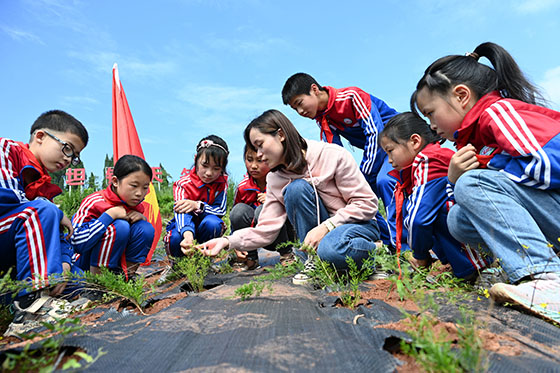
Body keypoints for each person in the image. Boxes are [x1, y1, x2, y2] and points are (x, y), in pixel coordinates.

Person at [411, 41, 560, 322]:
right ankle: (532, 268)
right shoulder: (476, 141)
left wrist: (485, 166)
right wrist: (455, 179)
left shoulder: (498, 113)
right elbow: (475, 203)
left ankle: (546, 278)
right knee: (458, 218)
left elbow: (548, 165)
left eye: (430, 112)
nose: (430, 124)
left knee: (474, 184)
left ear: (461, 96)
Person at [198, 110, 380, 285]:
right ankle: (313, 260)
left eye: (260, 145)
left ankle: (376, 252)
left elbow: (366, 204)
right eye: (254, 149)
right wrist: (227, 241)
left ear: (281, 135)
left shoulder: (331, 155)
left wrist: (326, 227)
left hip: (356, 224)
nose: (259, 155)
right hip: (324, 235)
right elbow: (266, 229)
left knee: (330, 250)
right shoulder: (275, 178)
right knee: (295, 189)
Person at [282, 73, 402, 250]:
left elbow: (376, 134)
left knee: (384, 181)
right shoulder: (323, 119)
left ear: (314, 89)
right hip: (376, 153)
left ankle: (402, 246)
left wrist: (362, 175)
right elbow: (332, 155)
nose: (300, 112)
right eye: (295, 109)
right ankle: (387, 246)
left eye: (299, 103)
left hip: (396, 144)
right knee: (356, 197)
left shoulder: (352, 97)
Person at [379, 112, 488, 279]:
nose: (389, 161)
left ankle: (476, 267)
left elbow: (419, 219)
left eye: (390, 151)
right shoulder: (431, 157)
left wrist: (419, 255)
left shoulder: (428, 160)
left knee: (426, 212)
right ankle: (460, 265)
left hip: (477, 240)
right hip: (479, 231)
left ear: (415, 142)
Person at [0, 110, 88, 306]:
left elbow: (59, 234)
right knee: (40, 211)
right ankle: (32, 305)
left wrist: (64, 263)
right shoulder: (5, 149)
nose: (68, 160)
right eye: (67, 148)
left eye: (74, 157)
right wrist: (53, 210)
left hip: (14, 252)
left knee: (79, 280)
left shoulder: (45, 188)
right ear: (40, 136)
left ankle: (13, 299)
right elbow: (5, 199)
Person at [71, 155, 154, 278]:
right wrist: (108, 216)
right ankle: (99, 282)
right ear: (115, 181)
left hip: (115, 264)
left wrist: (142, 218)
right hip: (83, 264)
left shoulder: (136, 206)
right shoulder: (94, 202)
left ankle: (126, 277)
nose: (139, 193)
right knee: (120, 226)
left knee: (145, 228)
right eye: (134, 186)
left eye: (145, 187)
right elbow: (75, 241)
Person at [229, 145, 295, 270]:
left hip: (282, 235)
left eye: (259, 161)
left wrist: (274, 199)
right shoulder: (243, 187)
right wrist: (235, 243)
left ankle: (287, 254)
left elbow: (293, 210)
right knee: (238, 211)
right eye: (249, 160)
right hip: (256, 236)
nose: (253, 166)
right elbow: (235, 220)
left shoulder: (281, 180)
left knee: (263, 210)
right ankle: (250, 258)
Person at [165, 135, 229, 257]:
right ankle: (176, 266)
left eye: (216, 168)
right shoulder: (183, 184)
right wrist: (188, 235)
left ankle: (204, 262)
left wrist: (197, 205)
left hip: (206, 226)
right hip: (184, 229)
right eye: (204, 166)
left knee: (213, 224)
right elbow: (181, 212)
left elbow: (220, 210)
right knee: (174, 237)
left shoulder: (221, 184)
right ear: (196, 160)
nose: (209, 173)